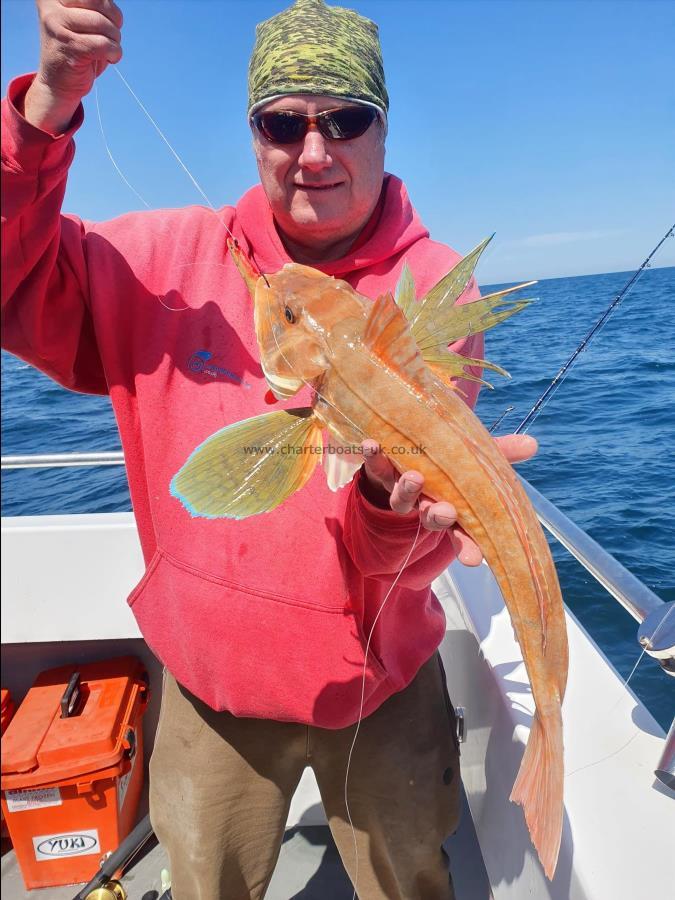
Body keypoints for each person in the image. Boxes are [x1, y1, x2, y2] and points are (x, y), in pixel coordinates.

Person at [1, 0, 537, 897]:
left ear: (381, 129)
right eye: (283, 122)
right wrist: (46, 107)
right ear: (254, 134)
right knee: (209, 881)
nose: (315, 151)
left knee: (408, 878)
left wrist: (383, 501)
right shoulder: (152, 256)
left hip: (379, 681)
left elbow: (402, 549)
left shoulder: (433, 286)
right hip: (207, 688)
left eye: (346, 119)